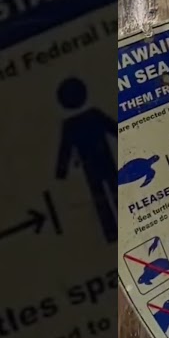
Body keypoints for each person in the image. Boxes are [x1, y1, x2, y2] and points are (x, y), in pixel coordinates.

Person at [54, 77, 118, 243]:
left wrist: (62, 171)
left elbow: (65, 150)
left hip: (92, 164)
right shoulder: (92, 116)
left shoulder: (72, 124)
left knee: (102, 196)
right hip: (102, 159)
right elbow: (114, 128)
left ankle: (111, 231)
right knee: (110, 193)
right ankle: (114, 230)